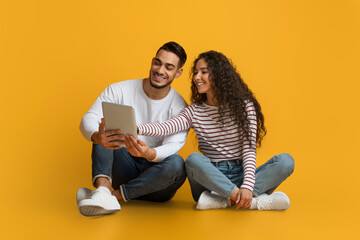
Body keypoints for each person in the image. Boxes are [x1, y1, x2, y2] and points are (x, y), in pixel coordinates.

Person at [134, 50, 295, 210]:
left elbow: (249, 149)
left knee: (285, 161)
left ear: (219, 75)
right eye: (196, 72)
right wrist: (137, 128)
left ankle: (227, 200)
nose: (197, 77)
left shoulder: (245, 107)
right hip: (209, 180)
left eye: (204, 72)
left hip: (241, 174)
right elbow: (166, 127)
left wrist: (247, 185)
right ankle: (251, 200)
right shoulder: (194, 111)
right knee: (193, 160)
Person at [76, 42, 188, 216]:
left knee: (178, 164)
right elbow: (89, 118)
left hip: (158, 184)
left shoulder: (180, 106)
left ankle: (111, 196)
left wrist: (149, 153)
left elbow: (174, 144)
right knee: (104, 133)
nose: (160, 70)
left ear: (178, 72)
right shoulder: (119, 89)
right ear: (152, 62)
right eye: (157, 63)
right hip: (124, 169)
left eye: (169, 67)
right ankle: (103, 191)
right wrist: (97, 136)